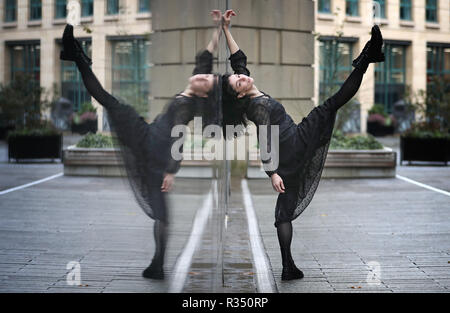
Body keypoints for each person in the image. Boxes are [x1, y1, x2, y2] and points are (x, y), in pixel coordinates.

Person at [221, 10, 385, 280]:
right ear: (239, 92)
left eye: (240, 75)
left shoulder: (248, 90)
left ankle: (288, 267)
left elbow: (238, 60)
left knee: (283, 212)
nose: (243, 76)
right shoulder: (257, 106)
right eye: (239, 80)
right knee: (330, 105)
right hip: (293, 143)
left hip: (289, 153)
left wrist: (226, 29)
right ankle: (367, 57)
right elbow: (265, 141)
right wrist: (271, 173)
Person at [59, 11, 223, 280]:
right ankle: (76, 55)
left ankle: (158, 264)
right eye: (203, 76)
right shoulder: (194, 90)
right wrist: (219, 29)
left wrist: (171, 169)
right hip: (148, 135)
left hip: (156, 149)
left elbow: (179, 137)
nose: (201, 77)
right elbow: (204, 59)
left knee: (163, 212)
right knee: (109, 101)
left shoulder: (189, 105)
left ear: (205, 92)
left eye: (206, 80)